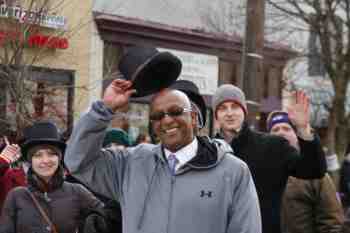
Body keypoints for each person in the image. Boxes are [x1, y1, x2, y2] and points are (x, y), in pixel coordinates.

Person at [65, 79, 262, 233]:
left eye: (175, 112)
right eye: (158, 116)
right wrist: (104, 108)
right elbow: (78, 161)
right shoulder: (130, 164)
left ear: (193, 118)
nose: (167, 120)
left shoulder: (233, 171)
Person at [212, 85, 327, 233]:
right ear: (216, 116)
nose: (229, 113)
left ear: (244, 111)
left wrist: (303, 129)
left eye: (234, 106)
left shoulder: (272, 146)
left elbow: (314, 169)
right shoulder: (208, 152)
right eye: (222, 108)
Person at [0, 121, 104, 233]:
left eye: (51, 153)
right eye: (38, 155)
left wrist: (92, 223)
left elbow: (109, 216)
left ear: (59, 158)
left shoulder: (77, 191)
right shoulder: (16, 196)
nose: (45, 160)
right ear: (30, 161)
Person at [267, 110, 344, 233]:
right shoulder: (261, 169)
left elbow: (332, 222)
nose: (280, 132)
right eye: (275, 129)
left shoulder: (315, 173)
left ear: (297, 136)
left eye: (286, 128)